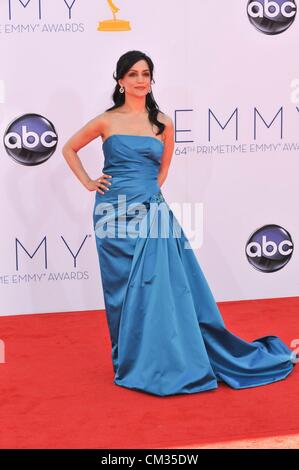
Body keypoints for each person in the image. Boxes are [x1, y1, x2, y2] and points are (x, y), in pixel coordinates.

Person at [62, 50, 297, 396]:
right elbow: (69, 148)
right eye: (133, 74)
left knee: (160, 289)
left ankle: (166, 360)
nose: (141, 79)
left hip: (150, 212)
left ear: (151, 80)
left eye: (146, 73)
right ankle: (131, 360)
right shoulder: (106, 121)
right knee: (122, 292)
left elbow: (163, 169)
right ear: (120, 81)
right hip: (112, 214)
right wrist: (88, 182)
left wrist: (148, 196)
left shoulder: (164, 122)